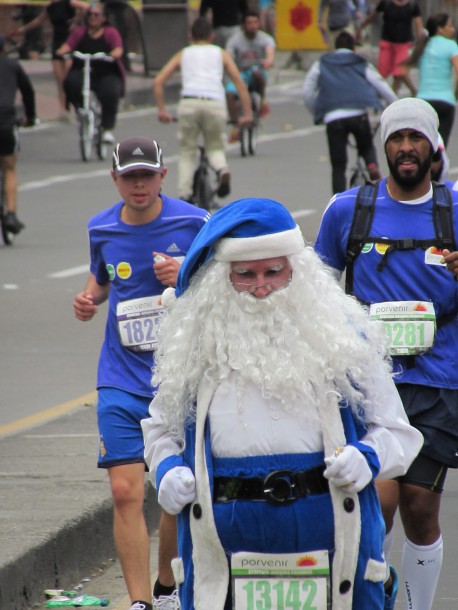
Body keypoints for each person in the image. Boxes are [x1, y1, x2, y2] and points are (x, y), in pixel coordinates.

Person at [141, 197, 423, 610]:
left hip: (327, 532)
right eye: (245, 274)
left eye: (273, 271)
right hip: (226, 543)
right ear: (222, 277)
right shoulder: (196, 345)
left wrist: (367, 457)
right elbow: (159, 429)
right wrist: (166, 469)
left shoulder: (342, 337)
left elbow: (398, 432)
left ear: (296, 270)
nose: (260, 287)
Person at [314, 97, 458, 610]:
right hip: (368, 381)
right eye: (397, 138)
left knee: (420, 505)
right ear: (384, 146)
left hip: (437, 380)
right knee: (377, 500)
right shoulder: (347, 210)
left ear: (434, 147)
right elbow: (316, 290)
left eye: (416, 137)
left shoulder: (454, 209)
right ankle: (373, 598)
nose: (406, 147)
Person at [73, 136, 209, 610]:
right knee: (124, 492)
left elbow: (223, 278)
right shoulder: (101, 228)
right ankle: (139, 602)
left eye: (146, 175)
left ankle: (167, 586)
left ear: (162, 176)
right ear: (114, 178)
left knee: (176, 490)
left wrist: (184, 272)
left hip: (178, 379)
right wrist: (89, 299)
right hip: (120, 378)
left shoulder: (193, 221)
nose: (138, 185)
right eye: (129, 176)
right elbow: (103, 277)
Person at [152, 16, 252, 204]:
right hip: (214, 102)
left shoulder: (184, 53)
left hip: (189, 102)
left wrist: (162, 111)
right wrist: (247, 114)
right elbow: (239, 83)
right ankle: (221, 169)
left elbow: (158, 82)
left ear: (190, 36)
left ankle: (184, 194)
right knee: (215, 146)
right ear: (212, 36)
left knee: (187, 150)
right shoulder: (220, 53)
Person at [302, 30, 397, 194]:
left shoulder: (322, 63)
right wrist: (395, 107)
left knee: (338, 166)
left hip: (333, 118)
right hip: (358, 114)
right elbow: (381, 85)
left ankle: (338, 200)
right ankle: (372, 166)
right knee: (366, 146)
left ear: (335, 47)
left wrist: (318, 112)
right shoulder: (360, 62)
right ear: (354, 48)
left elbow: (307, 92)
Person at [57, 2, 125, 143]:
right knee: (71, 83)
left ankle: (107, 128)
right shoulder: (80, 32)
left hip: (106, 71)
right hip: (83, 69)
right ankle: (81, 109)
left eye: (96, 14)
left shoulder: (110, 32)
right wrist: (62, 52)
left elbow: (118, 49)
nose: (92, 17)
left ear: (104, 17)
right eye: (90, 14)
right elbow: (67, 46)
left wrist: (111, 55)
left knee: (110, 92)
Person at [10, 0, 89, 121]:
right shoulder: (50, 7)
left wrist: (77, 20)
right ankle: (63, 109)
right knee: (60, 80)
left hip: (70, 42)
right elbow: (38, 20)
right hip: (57, 42)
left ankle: (78, 105)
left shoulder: (68, 2)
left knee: (70, 79)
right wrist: (22, 29)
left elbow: (87, 7)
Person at [0, 33, 37, 236]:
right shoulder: (12, 65)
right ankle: (11, 214)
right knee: (9, 168)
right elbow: (28, 91)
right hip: (5, 122)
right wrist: (30, 117)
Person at [405, 13, 458, 148]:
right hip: (445, 101)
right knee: (440, 145)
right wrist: (455, 93)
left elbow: (402, 71)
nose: (453, 30)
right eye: (449, 26)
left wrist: (414, 90)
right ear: (439, 28)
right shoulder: (451, 45)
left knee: (422, 145)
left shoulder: (422, 46)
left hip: (423, 102)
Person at [225, 10, 275, 142]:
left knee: (256, 72)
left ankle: (263, 100)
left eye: (255, 22)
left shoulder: (265, 39)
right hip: (240, 74)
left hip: (257, 72)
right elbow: (228, 56)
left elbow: (270, 54)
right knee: (229, 93)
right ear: (243, 25)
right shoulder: (235, 40)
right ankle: (235, 124)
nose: (253, 26)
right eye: (249, 23)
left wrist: (268, 61)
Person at [356, 0, 423, 96]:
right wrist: (361, 27)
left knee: (400, 72)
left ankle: (394, 95)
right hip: (387, 43)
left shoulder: (412, 5)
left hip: (403, 44)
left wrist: (420, 39)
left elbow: (418, 24)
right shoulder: (386, 3)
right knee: (382, 72)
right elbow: (373, 16)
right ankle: (381, 93)